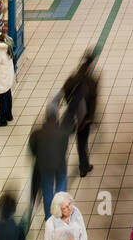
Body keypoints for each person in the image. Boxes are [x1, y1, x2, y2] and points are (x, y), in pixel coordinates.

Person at [28, 108, 71, 221]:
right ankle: (62, 213)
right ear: (57, 119)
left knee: (47, 191)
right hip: (60, 164)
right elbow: (65, 148)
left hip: (45, 165)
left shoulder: (37, 133)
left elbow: (32, 149)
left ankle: (49, 217)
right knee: (61, 189)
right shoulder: (63, 132)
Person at [62, 49, 99, 177]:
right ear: (90, 65)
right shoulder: (92, 81)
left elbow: (65, 90)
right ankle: (84, 167)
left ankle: (64, 166)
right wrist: (91, 118)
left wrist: (70, 104)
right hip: (85, 119)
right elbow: (94, 102)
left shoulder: (72, 78)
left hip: (73, 115)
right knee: (82, 142)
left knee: (71, 140)